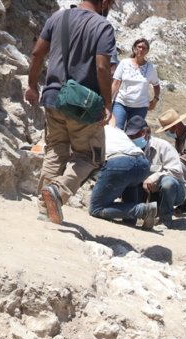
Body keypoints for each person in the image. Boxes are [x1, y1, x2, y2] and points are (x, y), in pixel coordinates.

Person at [24, 0, 117, 225]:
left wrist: (32, 85)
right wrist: (107, 104)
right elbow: (103, 67)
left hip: (53, 97)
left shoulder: (58, 17)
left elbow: (37, 54)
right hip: (83, 106)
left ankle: (44, 210)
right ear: (104, 2)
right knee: (90, 157)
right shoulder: (102, 26)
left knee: (55, 151)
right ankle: (58, 191)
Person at [89, 115, 158, 229]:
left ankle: (143, 210)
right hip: (142, 164)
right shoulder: (116, 130)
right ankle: (130, 220)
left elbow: (92, 161)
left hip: (119, 163)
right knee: (130, 184)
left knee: (96, 209)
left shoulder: (90, 132)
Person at [137, 120, 186, 226]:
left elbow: (175, 171)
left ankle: (165, 220)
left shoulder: (164, 147)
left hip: (174, 191)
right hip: (150, 191)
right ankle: (140, 213)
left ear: (147, 133)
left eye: (137, 135)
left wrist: (154, 179)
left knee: (168, 183)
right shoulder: (132, 147)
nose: (134, 138)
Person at [111, 38, 160, 130]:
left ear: (147, 51)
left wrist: (155, 100)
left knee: (133, 133)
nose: (141, 49)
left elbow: (156, 86)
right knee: (116, 130)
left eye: (144, 48)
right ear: (134, 48)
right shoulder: (124, 63)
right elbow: (116, 83)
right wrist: (109, 101)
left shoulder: (150, 68)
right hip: (121, 103)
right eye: (139, 47)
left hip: (140, 107)